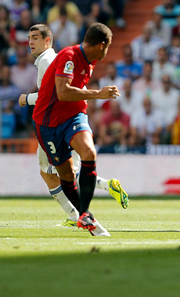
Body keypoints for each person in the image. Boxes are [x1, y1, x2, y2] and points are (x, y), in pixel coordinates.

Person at [24, 23, 128, 236]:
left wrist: (26, 98)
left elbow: (61, 92)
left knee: (84, 156)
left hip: (72, 116)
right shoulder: (67, 57)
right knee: (66, 174)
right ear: (101, 45)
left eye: (34, 37)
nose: (30, 42)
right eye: (29, 38)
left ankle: (80, 214)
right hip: (48, 123)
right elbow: (57, 93)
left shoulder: (70, 59)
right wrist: (97, 93)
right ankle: (85, 213)